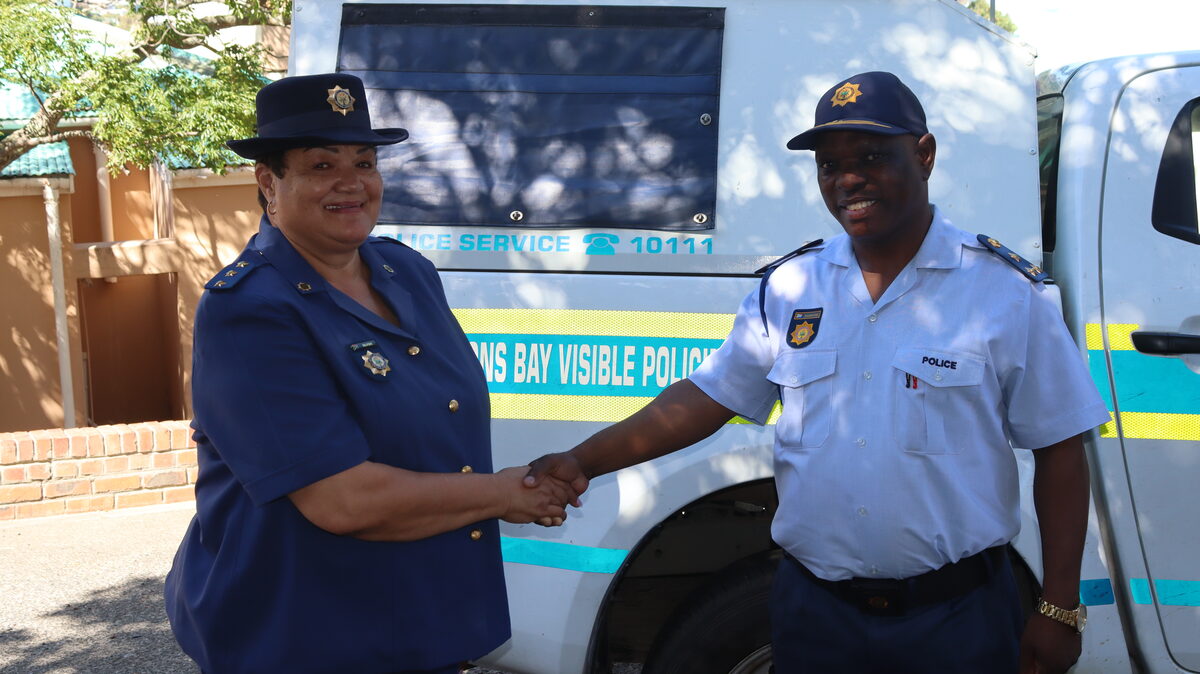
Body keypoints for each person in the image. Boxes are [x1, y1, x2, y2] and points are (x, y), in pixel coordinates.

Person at [526, 71, 1111, 674]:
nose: (847, 179)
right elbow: (708, 396)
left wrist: (1059, 607)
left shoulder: (1004, 292)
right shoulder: (792, 286)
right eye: (829, 166)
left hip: (957, 617)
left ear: (925, 154)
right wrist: (582, 461)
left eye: (871, 157)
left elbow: (1061, 452)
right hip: (815, 614)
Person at [164, 73, 575, 674]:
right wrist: (506, 493)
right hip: (304, 634)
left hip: (419, 619)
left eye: (364, 161)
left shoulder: (406, 272)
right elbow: (342, 499)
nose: (351, 183)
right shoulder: (248, 309)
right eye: (321, 165)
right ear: (269, 182)